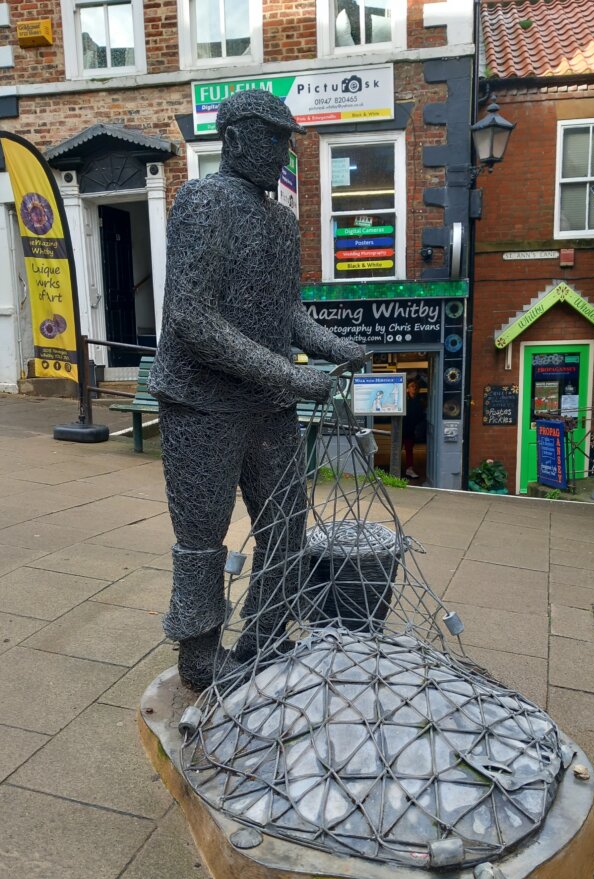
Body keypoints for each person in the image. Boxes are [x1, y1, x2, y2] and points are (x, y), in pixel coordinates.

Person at [149, 89, 366, 691]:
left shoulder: (280, 220)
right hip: (202, 402)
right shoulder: (201, 201)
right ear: (236, 137)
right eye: (273, 139)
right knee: (202, 538)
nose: (284, 155)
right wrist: (292, 375)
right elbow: (192, 320)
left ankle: (265, 635)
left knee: (287, 524)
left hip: (267, 406)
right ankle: (197, 656)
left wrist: (334, 345)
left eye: (288, 142)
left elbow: (287, 312)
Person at [402, 377, 427, 480]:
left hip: (410, 429)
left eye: (416, 387)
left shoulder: (418, 401)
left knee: (409, 450)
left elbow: (420, 415)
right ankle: (395, 469)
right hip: (401, 428)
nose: (414, 389)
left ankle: (409, 469)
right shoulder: (404, 400)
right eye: (412, 387)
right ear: (407, 389)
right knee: (396, 449)